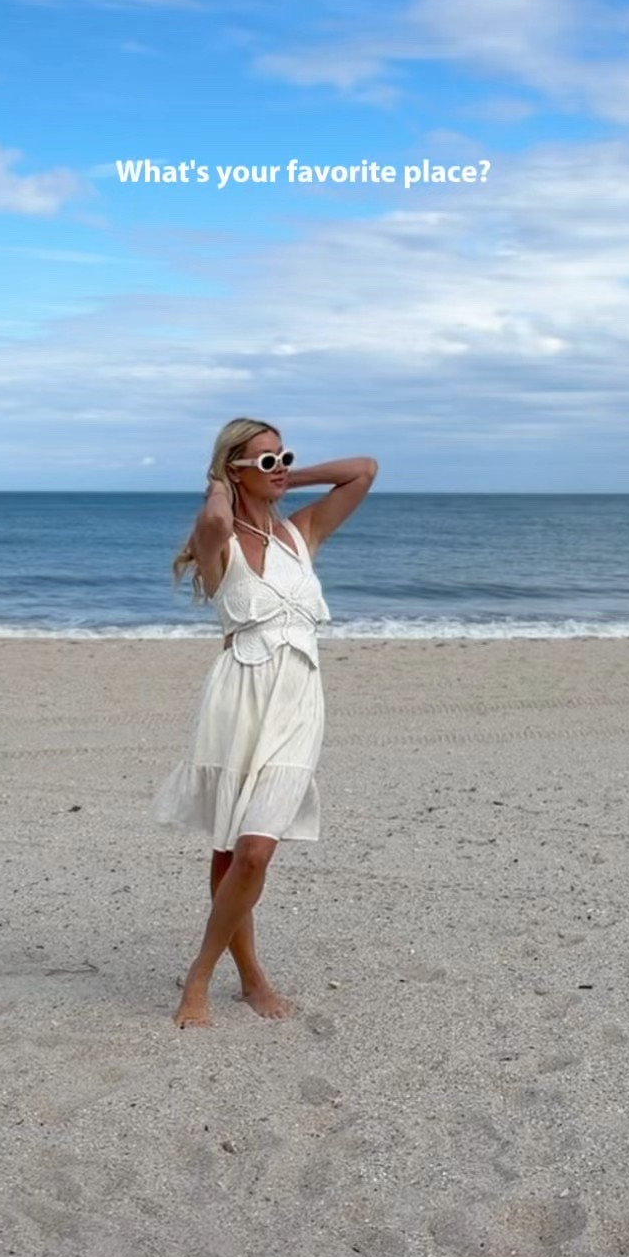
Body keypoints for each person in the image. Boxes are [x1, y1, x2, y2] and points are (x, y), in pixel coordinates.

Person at [151, 417, 378, 1028]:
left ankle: (199, 974)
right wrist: (223, 483)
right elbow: (219, 522)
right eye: (265, 459)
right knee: (231, 850)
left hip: (298, 701)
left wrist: (282, 476)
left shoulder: (302, 533)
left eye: (283, 457)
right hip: (238, 697)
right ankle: (249, 977)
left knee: (256, 851)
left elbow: (364, 470)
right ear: (232, 468)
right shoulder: (216, 541)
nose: (279, 467)